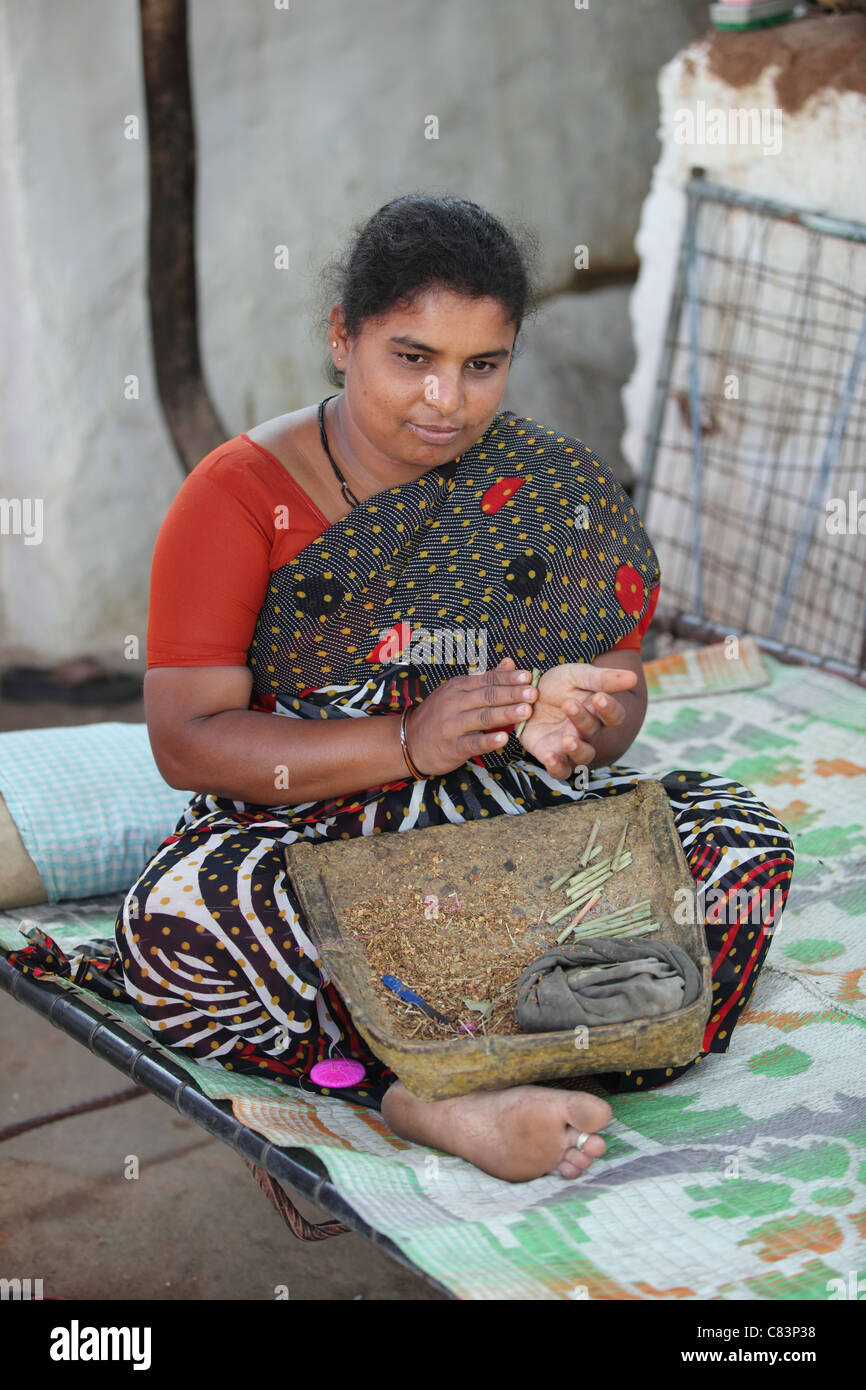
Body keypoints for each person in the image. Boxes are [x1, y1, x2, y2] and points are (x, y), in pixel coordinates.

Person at [114, 194, 794, 1184]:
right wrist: (405, 743)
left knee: (738, 851)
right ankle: (425, 1093)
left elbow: (617, 700)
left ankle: (485, 1036)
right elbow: (187, 740)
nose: (446, 400)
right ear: (342, 339)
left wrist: (579, 719)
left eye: (482, 365)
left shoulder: (536, 489)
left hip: (506, 840)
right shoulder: (237, 496)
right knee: (177, 927)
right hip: (311, 845)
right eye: (411, 357)